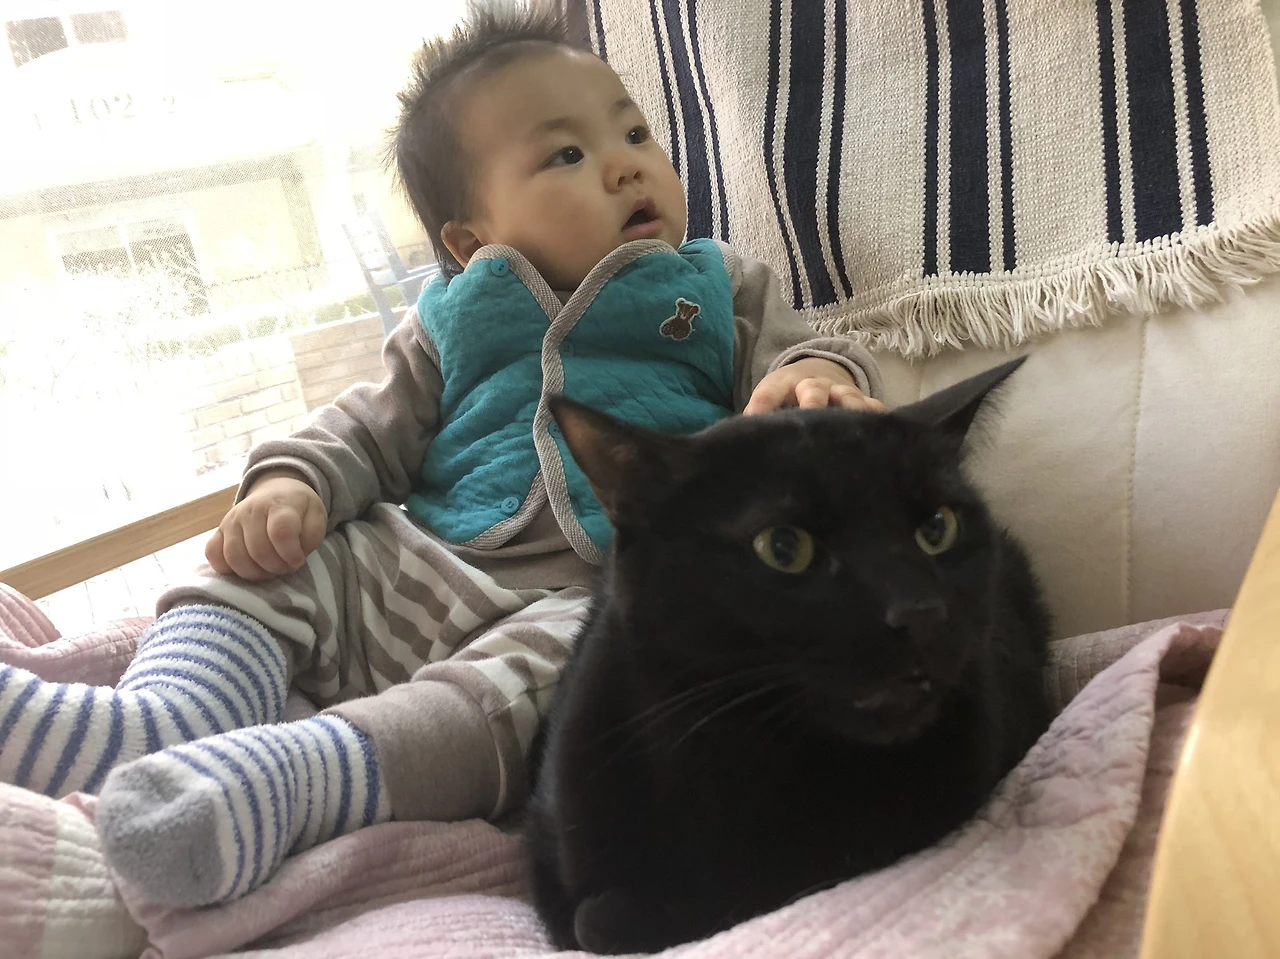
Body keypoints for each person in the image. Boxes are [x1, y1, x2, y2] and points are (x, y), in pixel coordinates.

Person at [0, 3, 883, 908]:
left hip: (581, 595)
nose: (626, 164)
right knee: (269, 567)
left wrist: (814, 377)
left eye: (634, 133)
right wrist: (291, 482)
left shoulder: (716, 284)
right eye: (566, 154)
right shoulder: (452, 318)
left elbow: (802, 353)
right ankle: (155, 720)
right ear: (471, 241)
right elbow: (364, 426)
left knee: (538, 694)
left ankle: (288, 781)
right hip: (411, 563)